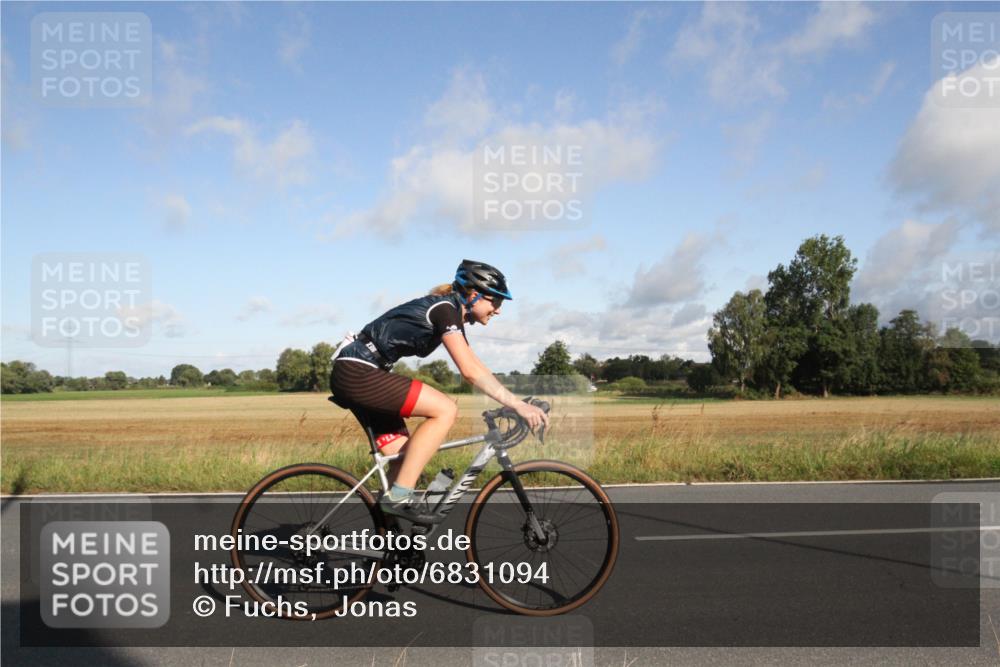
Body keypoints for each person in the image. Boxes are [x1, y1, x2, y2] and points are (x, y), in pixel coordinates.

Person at [329, 259, 549, 523]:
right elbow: (468, 370)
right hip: (358, 372)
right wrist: (516, 405)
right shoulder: (445, 309)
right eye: (496, 302)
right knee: (445, 409)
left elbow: (476, 365)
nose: (498, 310)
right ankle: (400, 498)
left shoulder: (451, 312)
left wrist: (514, 400)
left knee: (401, 461)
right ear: (475, 295)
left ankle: (391, 548)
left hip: (364, 371)